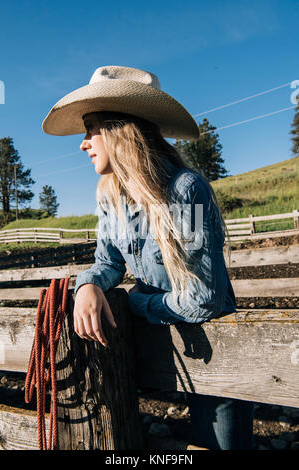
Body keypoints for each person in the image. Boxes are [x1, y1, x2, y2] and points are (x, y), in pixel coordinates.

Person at [42, 65, 254, 450]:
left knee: (219, 443)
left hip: (213, 351)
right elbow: (108, 262)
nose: (83, 143)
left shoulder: (186, 194)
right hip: (161, 347)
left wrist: (137, 303)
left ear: (120, 129)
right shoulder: (110, 198)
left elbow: (202, 299)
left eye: (90, 128)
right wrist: (87, 285)